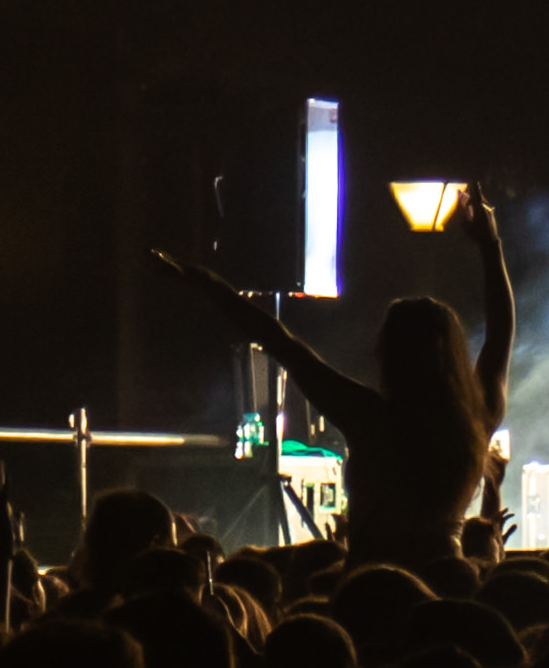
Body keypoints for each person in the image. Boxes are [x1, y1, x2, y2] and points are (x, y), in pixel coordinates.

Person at [158, 191, 514, 573]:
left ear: (390, 353)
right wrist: (490, 244)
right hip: (448, 578)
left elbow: (282, 344)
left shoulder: (370, 418)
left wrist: (209, 284)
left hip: (371, 584)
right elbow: (500, 334)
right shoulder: (474, 420)